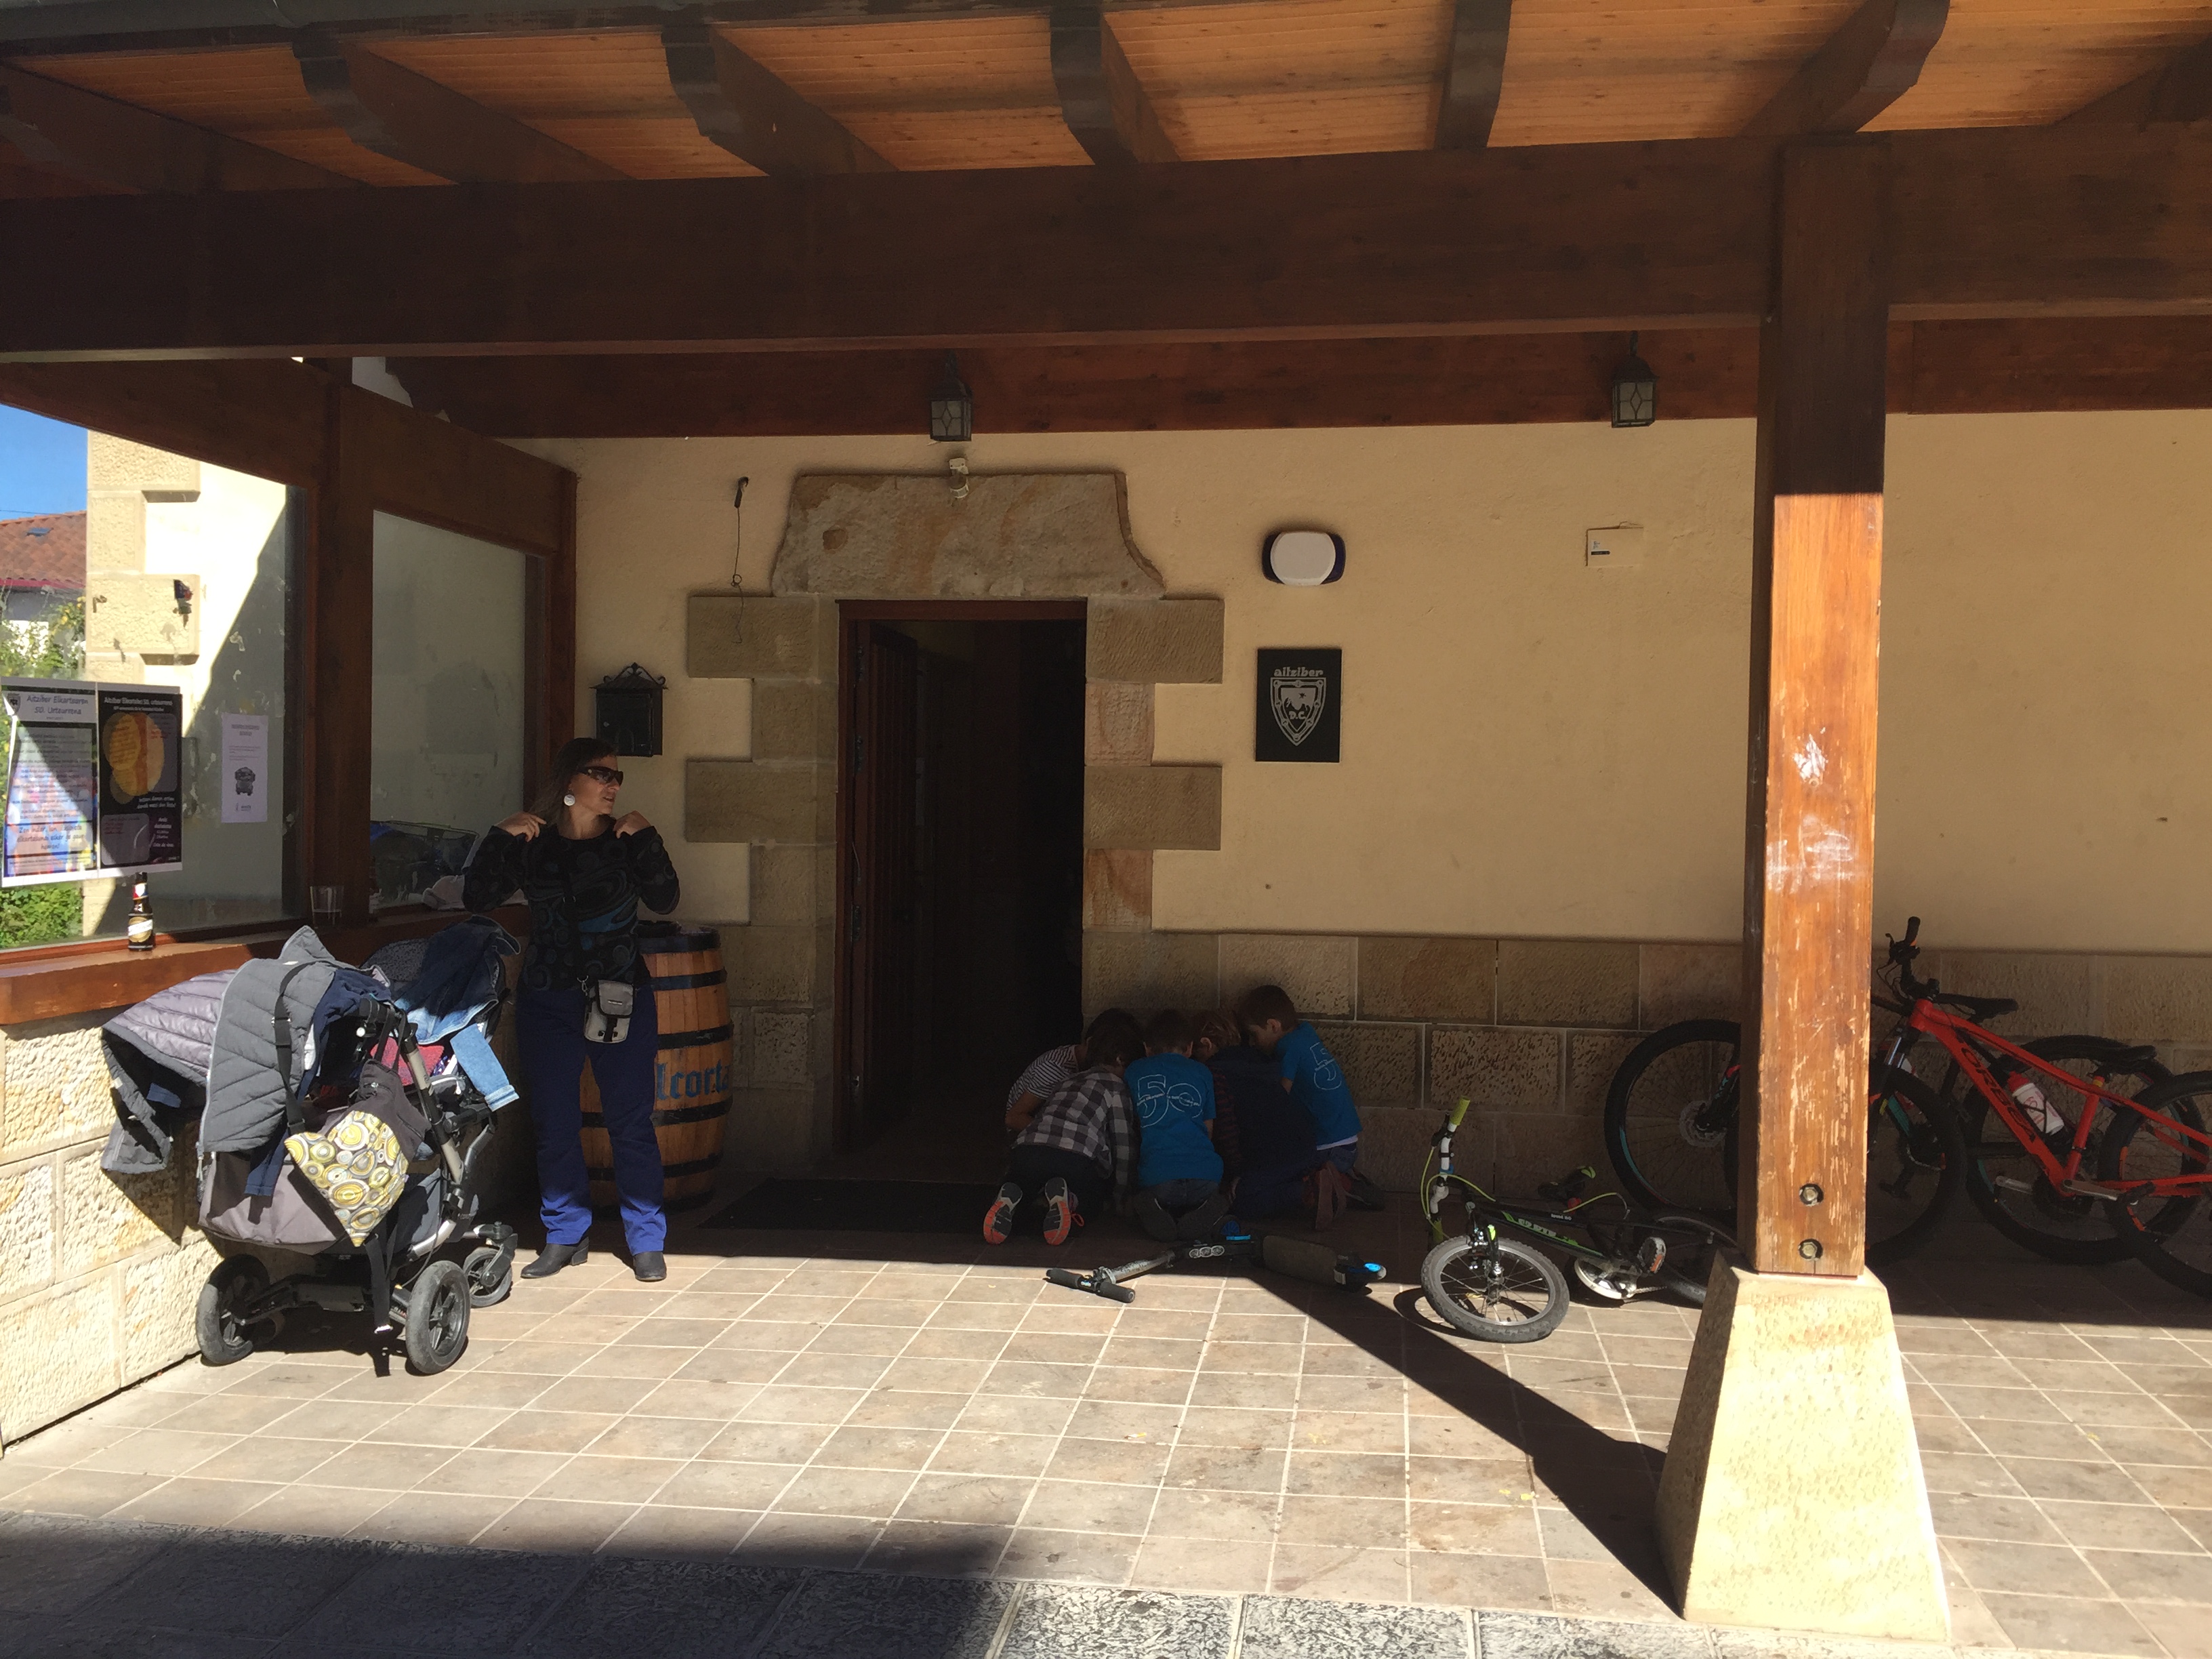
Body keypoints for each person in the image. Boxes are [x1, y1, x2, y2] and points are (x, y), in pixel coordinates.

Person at [464, 737, 680, 1282]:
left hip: (621, 997)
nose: (613, 785)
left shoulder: (625, 841)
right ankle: (565, 1235)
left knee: (630, 1119)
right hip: (548, 997)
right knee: (553, 1120)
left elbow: (665, 899)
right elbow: (477, 897)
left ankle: (646, 1240)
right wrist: (500, 837)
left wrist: (648, 838)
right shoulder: (534, 846)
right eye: (601, 774)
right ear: (569, 781)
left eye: (617, 776)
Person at [983, 1019, 1141, 1246]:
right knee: (1092, 1198)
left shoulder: (1067, 1080)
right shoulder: (1117, 1087)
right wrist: (1122, 1195)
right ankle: (1071, 1201)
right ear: (1121, 1060)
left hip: (1028, 1148)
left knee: (1026, 1181)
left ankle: (1012, 1193)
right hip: (1074, 1158)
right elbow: (1124, 1146)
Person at [1235, 984, 1364, 1226]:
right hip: (1347, 1145)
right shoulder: (1306, 1033)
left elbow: (1279, 1098)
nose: (1253, 1043)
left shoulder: (1287, 1047)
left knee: (1266, 1180)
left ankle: (1320, 1185)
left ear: (1273, 1026)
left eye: (1254, 1034)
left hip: (1326, 1147)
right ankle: (1341, 1179)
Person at [1126, 1009, 1228, 1242]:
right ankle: (1208, 1207)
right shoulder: (1203, 1072)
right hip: (1206, 1176)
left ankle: (1153, 1207)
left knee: (1144, 1195)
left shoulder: (1135, 1070)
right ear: (1190, 1048)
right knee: (1204, 1189)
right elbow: (1209, 1129)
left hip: (1159, 1178)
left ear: (1147, 1048)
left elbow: (1131, 1121)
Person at [1207, 1031, 1322, 1223]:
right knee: (1262, 1185)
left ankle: (1304, 1191)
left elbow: (1227, 1133)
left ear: (1206, 1044)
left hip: (1273, 1155)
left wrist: (1237, 1173)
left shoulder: (1215, 1074)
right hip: (1305, 1145)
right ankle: (1319, 1181)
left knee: (1238, 1202)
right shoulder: (1260, 1062)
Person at [1004, 1008, 1141, 1134]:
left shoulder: (1085, 1066)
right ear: (1090, 1042)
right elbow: (1013, 1118)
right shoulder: (1054, 1068)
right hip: (1030, 1136)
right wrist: (1063, 1135)